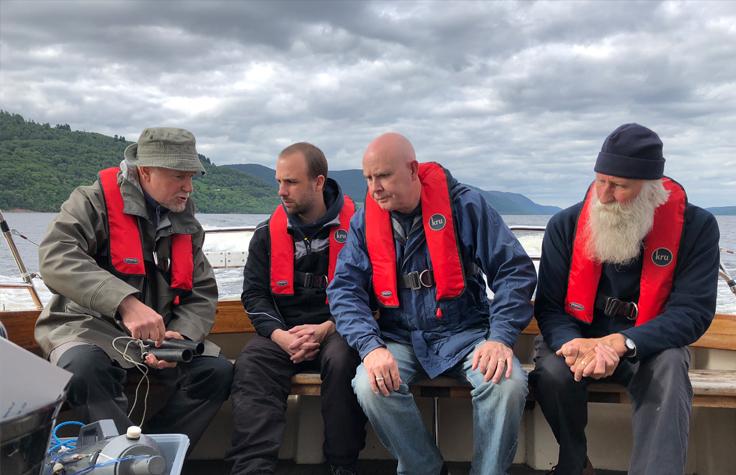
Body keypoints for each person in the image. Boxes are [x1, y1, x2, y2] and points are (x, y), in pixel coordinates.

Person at [327, 133, 537, 475]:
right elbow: (344, 291)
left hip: (466, 334)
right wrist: (370, 347)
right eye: (368, 178)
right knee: (369, 384)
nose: (374, 187)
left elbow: (514, 272)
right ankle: (425, 468)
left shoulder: (466, 206)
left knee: (507, 385)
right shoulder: (365, 222)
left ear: (412, 170)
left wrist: (499, 338)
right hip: (400, 337)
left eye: (383, 176)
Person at [529, 123, 720, 475]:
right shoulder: (565, 225)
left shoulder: (698, 228)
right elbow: (551, 306)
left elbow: (692, 312)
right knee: (553, 371)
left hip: (649, 344)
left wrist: (623, 342)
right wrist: (575, 344)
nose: (603, 194)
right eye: (601, 180)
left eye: (619, 186)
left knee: (670, 368)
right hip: (581, 337)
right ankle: (573, 463)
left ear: (651, 188)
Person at [35, 127, 232, 447]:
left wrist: (182, 333)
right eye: (179, 176)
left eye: (192, 176)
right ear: (146, 171)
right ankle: (124, 460)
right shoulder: (92, 201)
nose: (188, 186)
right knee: (82, 368)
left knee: (216, 372)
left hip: (159, 338)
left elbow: (202, 290)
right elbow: (55, 256)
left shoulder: (185, 219)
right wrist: (126, 303)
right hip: (89, 328)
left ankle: (155, 454)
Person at [227, 143, 366, 475]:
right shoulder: (266, 234)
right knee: (252, 362)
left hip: (340, 327)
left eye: (290, 182)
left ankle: (342, 465)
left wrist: (327, 327)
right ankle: (252, 469)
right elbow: (255, 295)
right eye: (278, 182)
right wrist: (280, 336)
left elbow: (370, 292)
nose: (281, 191)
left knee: (343, 359)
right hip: (284, 329)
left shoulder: (360, 229)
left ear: (318, 182)